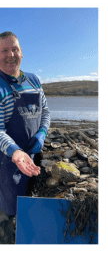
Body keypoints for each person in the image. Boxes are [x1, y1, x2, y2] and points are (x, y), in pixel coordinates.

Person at [0, 31, 50, 229]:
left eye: (15, 49)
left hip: (34, 155)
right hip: (8, 161)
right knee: (10, 207)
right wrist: (16, 152)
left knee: (31, 201)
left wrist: (42, 133)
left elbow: (45, 111)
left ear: (22, 53)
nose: (10, 55)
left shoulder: (33, 80)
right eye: (4, 50)